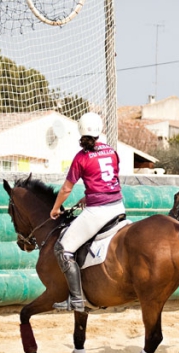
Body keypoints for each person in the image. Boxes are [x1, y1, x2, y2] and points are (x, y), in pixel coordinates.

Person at [49, 112, 125, 312]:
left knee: (62, 249)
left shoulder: (81, 157)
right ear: (100, 130)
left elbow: (66, 189)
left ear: (80, 130)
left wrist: (55, 208)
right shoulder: (112, 151)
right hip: (118, 206)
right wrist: (88, 196)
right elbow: (109, 180)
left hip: (98, 212)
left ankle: (76, 299)